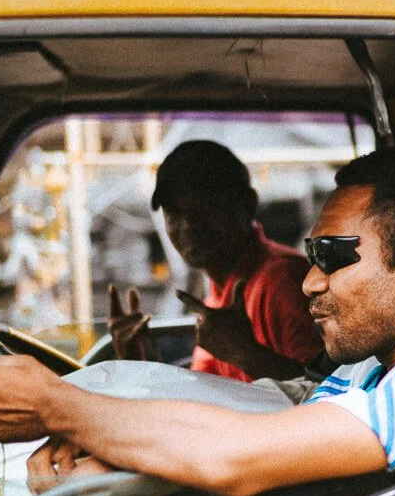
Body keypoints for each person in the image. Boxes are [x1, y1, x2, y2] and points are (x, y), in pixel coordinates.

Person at [0, 146, 395, 496]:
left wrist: (54, 405)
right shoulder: (374, 366)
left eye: (332, 256)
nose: (308, 281)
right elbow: (261, 411)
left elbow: (236, 455)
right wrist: (106, 444)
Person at [108, 140, 324, 380]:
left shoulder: (281, 282)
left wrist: (245, 353)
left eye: (204, 207)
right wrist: (143, 362)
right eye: (174, 213)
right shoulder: (219, 292)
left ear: (248, 204)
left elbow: (327, 393)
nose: (188, 224)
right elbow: (206, 397)